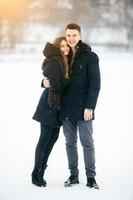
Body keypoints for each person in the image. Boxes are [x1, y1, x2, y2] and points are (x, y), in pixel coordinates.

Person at [43, 23, 101, 189]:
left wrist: (90, 107)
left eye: (74, 35)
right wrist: (43, 82)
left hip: (84, 109)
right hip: (66, 108)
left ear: (80, 36)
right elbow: (49, 67)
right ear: (65, 36)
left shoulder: (91, 57)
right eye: (68, 35)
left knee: (87, 143)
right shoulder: (63, 56)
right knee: (70, 143)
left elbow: (95, 84)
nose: (71, 38)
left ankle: (91, 177)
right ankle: (73, 175)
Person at [31, 36, 70, 187]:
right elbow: (56, 86)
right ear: (57, 48)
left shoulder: (63, 61)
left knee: (51, 139)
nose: (65, 48)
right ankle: (36, 173)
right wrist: (69, 79)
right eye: (62, 46)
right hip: (49, 106)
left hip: (55, 107)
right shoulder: (55, 62)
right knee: (44, 140)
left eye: (66, 46)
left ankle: (40, 170)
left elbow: (53, 83)